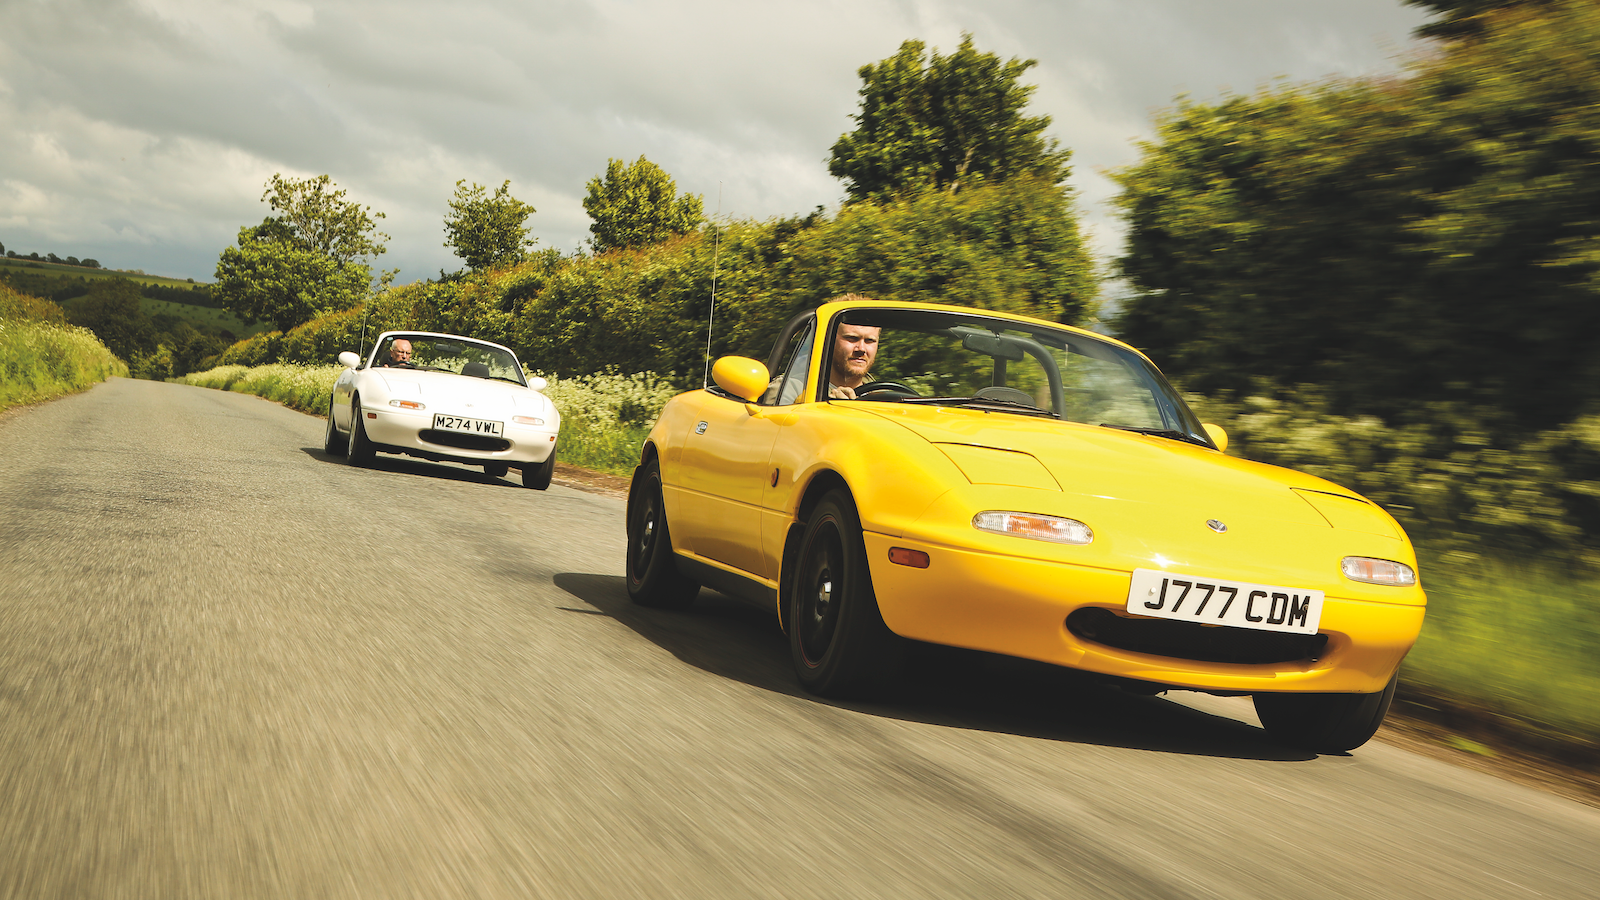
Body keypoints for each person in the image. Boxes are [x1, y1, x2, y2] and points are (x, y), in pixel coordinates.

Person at [827, 321, 880, 399]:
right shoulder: (808, 394)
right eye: (852, 338)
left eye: (869, 340)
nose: (861, 349)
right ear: (829, 341)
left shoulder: (885, 399)